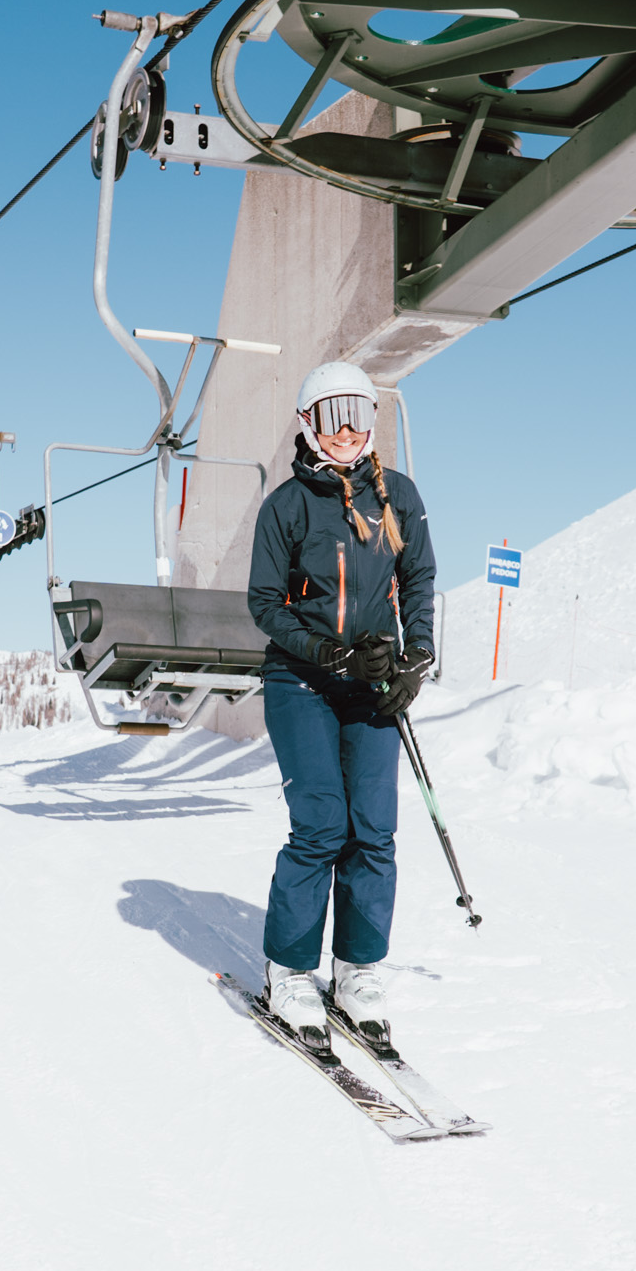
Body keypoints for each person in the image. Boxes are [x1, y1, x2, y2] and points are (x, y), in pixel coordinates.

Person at [246, 361, 436, 1045]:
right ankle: (290, 968)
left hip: (372, 683)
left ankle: (357, 967)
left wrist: (416, 657)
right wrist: (327, 652)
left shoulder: (400, 496)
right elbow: (264, 604)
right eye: (332, 415)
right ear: (307, 425)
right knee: (323, 822)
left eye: (358, 410)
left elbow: (418, 579)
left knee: (373, 827)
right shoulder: (286, 506)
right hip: (301, 681)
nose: (348, 428)